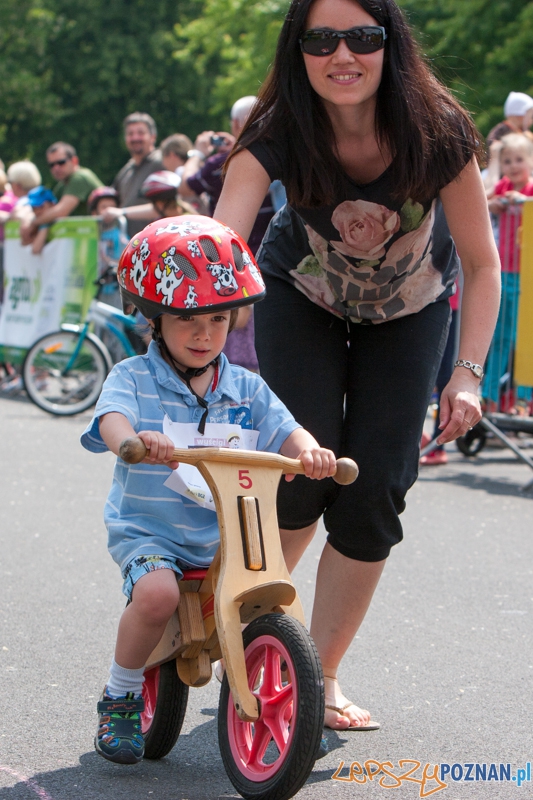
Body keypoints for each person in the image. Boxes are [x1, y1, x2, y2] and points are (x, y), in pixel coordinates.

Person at [214, 0, 501, 731]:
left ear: (389, 44)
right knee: (301, 478)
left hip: (407, 312)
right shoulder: (277, 131)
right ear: (297, 50)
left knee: (372, 490)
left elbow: (480, 261)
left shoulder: (438, 131)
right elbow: (220, 245)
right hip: (300, 295)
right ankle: (243, 629)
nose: (342, 55)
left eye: (362, 37)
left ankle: (322, 673)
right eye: (321, 38)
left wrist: (465, 372)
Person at [80, 216, 337, 764]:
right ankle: (120, 696)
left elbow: (286, 429)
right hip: (151, 530)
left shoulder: (245, 385)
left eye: (218, 319)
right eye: (188, 320)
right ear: (154, 317)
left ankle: (293, 705)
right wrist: (132, 440)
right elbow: (111, 421)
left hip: (225, 536)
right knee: (157, 596)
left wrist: (310, 451)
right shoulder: (132, 377)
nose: (204, 335)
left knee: (271, 598)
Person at [484, 133, 533, 412]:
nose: (513, 166)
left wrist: (519, 200)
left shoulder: (529, 190)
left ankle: (522, 399)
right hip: (504, 273)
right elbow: (483, 200)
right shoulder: (501, 185)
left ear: (530, 162)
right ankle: (490, 397)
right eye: (507, 161)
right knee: (500, 336)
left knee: (524, 338)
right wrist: (494, 203)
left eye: (519, 160)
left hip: (528, 276)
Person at [112, 112, 163, 236]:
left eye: (140, 133)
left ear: (153, 137)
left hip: (158, 242)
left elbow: (166, 206)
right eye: (130, 134)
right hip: (130, 245)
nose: (135, 138)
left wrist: (122, 212)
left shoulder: (160, 163)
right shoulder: (126, 171)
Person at [26, 186, 57, 255]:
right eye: (33, 208)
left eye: (40, 206)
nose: (37, 211)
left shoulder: (45, 223)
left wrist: (44, 226)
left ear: (52, 204)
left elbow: (35, 249)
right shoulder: (41, 223)